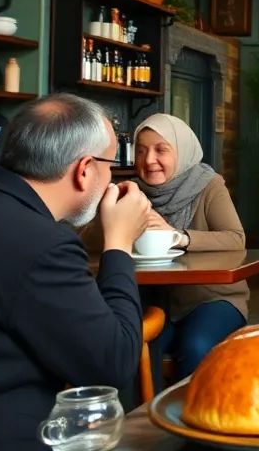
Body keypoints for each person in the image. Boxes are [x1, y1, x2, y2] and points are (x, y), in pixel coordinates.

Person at [0, 94, 150, 451]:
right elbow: (113, 363)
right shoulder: (44, 245)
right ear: (85, 170)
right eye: (110, 165)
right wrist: (119, 243)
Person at [80, 114, 247, 388]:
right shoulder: (131, 192)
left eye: (161, 150)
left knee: (196, 345)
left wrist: (178, 237)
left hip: (212, 297)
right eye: (141, 150)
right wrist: (111, 216)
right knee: (137, 346)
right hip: (156, 299)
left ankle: (188, 424)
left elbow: (235, 238)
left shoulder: (209, 186)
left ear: (181, 151)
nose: (148, 160)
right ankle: (143, 423)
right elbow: (86, 242)